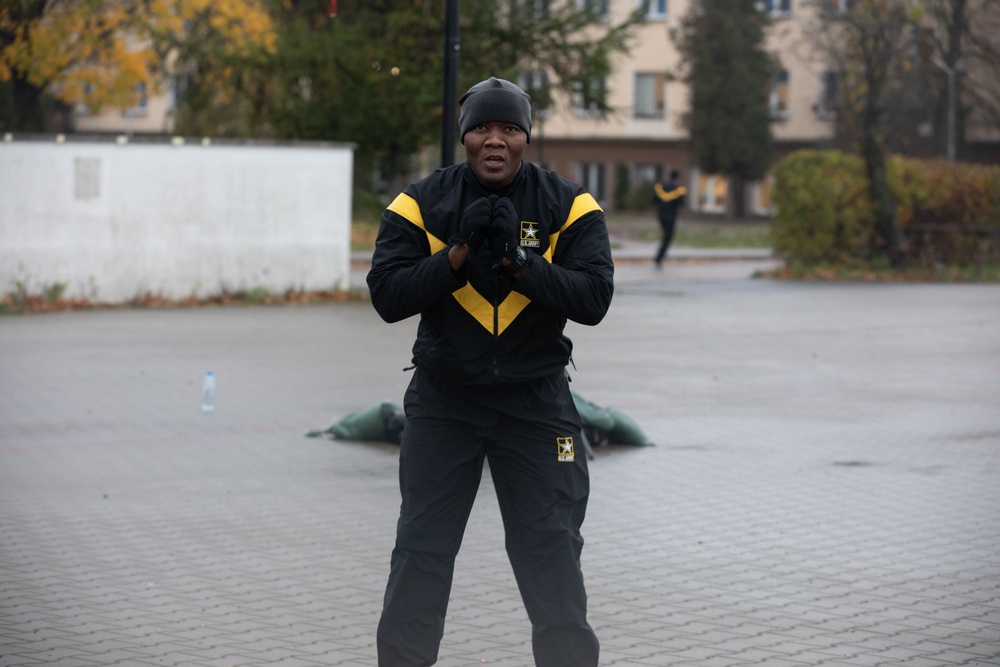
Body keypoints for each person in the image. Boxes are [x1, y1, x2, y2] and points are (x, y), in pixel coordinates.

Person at [366, 76, 614, 667]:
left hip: (536, 403)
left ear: (526, 137)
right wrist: (455, 256)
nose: (494, 140)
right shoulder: (420, 202)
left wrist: (519, 263)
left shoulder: (570, 204)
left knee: (551, 550)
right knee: (421, 550)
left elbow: (594, 299)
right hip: (444, 400)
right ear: (465, 137)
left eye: (509, 128)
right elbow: (386, 295)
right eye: (481, 127)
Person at [652, 169, 687, 269]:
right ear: (677, 178)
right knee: (667, 238)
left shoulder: (662, 188)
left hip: (661, 216)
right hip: (671, 217)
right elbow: (682, 204)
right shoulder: (679, 190)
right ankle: (658, 259)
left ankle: (659, 257)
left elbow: (654, 200)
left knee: (665, 237)